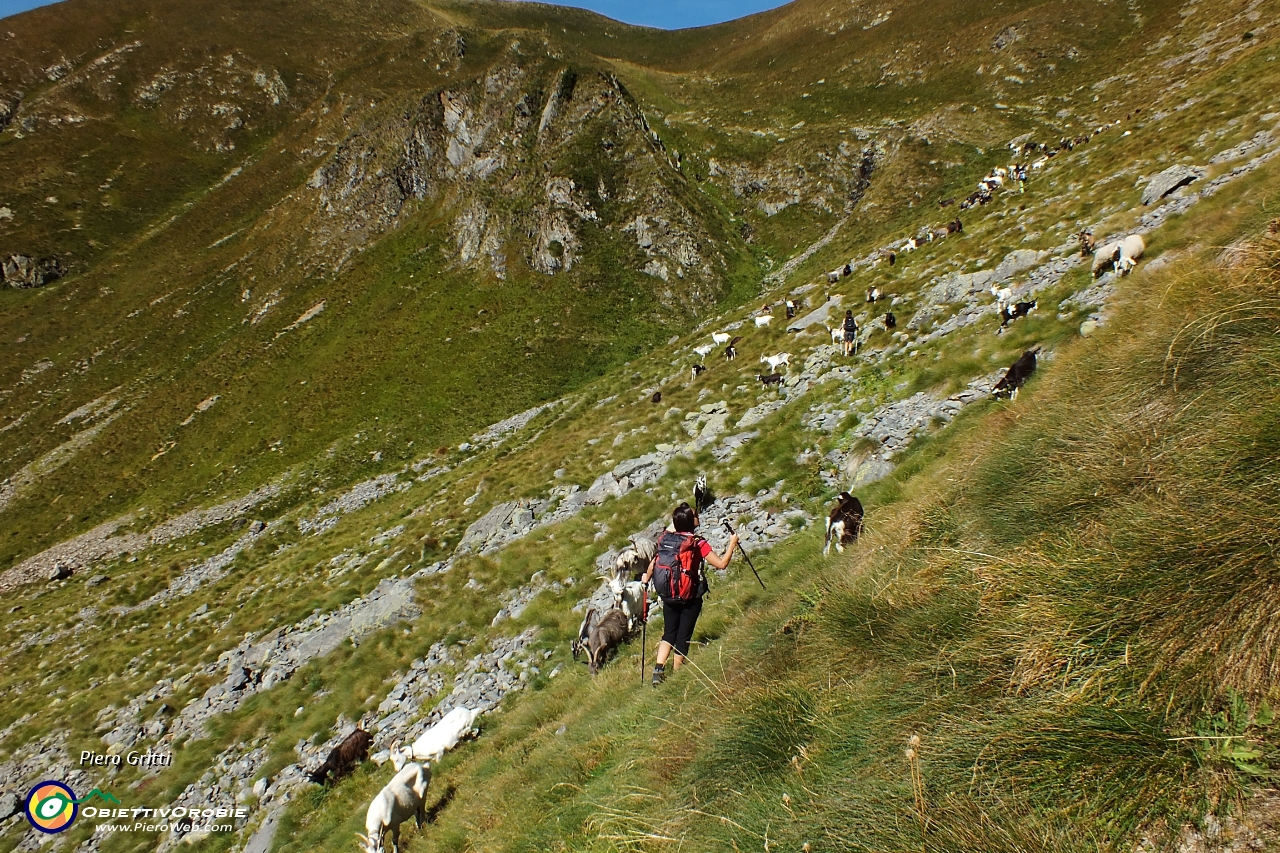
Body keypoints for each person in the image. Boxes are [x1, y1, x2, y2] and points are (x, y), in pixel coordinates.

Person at [641, 502, 737, 685]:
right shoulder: (697, 543)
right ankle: (677, 677)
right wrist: (732, 543)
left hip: (668, 596)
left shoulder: (666, 540)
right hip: (689, 597)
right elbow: (722, 564)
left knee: (668, 633)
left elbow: (654, 564)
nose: (697, 515)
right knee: (683, 637)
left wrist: (646, 579)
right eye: (695, 514)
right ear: (691, 522)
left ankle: (658, 669)